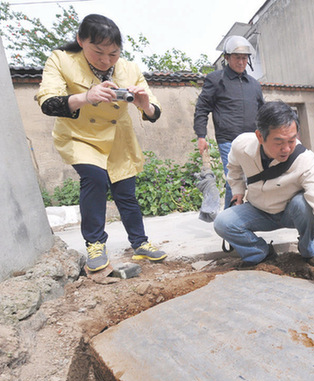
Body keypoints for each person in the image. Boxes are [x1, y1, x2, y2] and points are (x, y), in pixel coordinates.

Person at [36, 14, 167, 272]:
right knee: (94, 179)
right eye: (98, 52)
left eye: (113, 54)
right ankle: (95, 244)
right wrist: (86, 97)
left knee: (125, 192)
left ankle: (140, 243)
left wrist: (145, 105)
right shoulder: (61, 60)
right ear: (80, 41)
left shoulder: (129, 69)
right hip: (79, 136)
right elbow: (48, 103)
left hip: (118, 139)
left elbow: (154, 111)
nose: (106, 60)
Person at [214, 101, 314, 287]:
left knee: (303, 204)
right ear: (260, 136)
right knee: (223, 222)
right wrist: (238, 191)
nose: (286, 149)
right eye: (279, 142)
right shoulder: (241, 145)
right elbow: (233, 167)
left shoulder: (304, 160)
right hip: (258, 211)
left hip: (292, 212)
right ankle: (260, 253)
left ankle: (307, 248)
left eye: (291, 140)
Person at [193, 35, 265, 209]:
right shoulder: (215, 80)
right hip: (228, 140)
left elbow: (263, 111)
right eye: (237, 57)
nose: (241, 62)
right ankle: (231, 220)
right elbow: (202, 108)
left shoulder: (254, 84)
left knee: (252, 180)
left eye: (244, 58)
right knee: (234, 180)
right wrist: (201, 136)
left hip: (252, 139)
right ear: (227, 57)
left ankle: (234, 217)